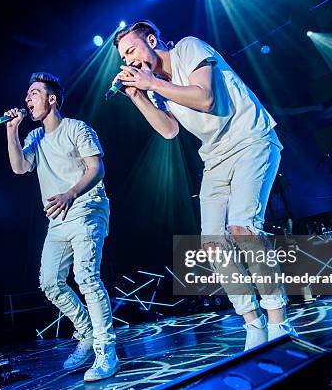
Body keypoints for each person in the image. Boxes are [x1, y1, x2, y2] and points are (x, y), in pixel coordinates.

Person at [112, 20, 297, 350]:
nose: (129, 61)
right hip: (215, 159)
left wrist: (151, 82)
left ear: (152, 40)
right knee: (213, 244)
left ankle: (278, 319)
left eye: (131, 50)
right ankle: (252, 324)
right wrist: (138, 97)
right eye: (124, 58)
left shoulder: (188, 47)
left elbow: (205, 98)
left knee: (243, 229)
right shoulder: (157, 85)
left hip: (251, 139)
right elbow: (169, 131)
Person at [4, 72, 119, 381]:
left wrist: (71, 193)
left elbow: (97, 168)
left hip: (87, 208)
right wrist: (12, 131)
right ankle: (86, 333)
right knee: (50, 281)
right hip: (58, 218)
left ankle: (106, 352)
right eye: (27, 95)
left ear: (51, 99)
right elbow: (19, 167)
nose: (27, 100)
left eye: (34, 94)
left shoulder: (77, 129)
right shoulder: (33, 137)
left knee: (86, 277)